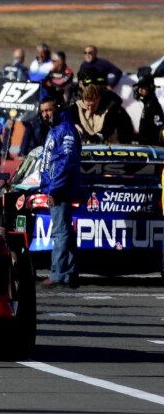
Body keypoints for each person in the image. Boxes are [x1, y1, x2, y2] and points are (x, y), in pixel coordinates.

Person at [38, 95, 81, 288]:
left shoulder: (65, 130)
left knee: (60, 233)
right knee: (65, 232)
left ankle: (57, 274)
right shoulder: (55, 129)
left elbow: (67, 161)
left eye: (48, 110)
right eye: (43, 111)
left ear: (57, 108)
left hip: (60, 189)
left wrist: (54, 189)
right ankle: (69, 273)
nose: (45, 114)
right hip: (56, 187)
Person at [70, 83, 134, 144]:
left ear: (99, 99)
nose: (90, 108)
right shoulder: (77, 103)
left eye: (93, 105)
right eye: (87, 105)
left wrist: (97, 138)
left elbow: (108, 128)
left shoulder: (112, 106)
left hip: (110, 141)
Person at [133, 75, 164, 145]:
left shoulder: (154, 105)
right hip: (144, 144)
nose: (140, 89)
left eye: (143, 87)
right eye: (139, 87)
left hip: (151, 147)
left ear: (150, 87)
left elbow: (160, 128)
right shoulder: (147, 103)